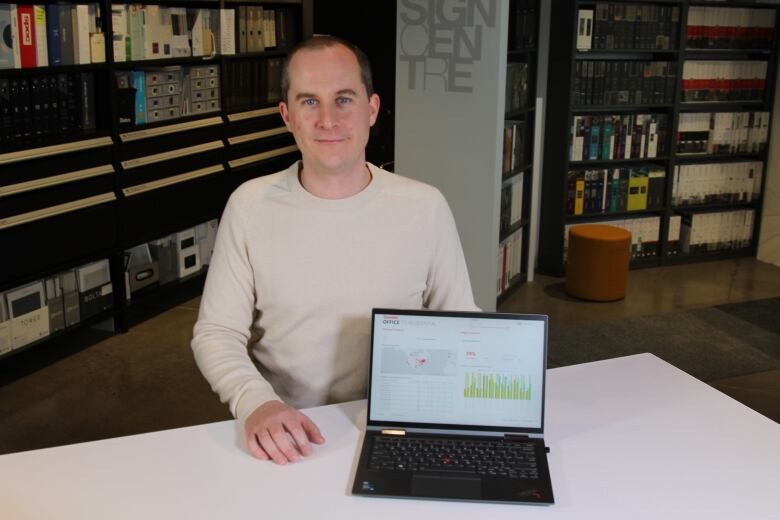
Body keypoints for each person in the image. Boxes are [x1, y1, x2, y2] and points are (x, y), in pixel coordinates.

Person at [191, 35, 477, 466]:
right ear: (287, 116)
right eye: (309, 102)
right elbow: (217, 333)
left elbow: (461, 323)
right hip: (290, 432)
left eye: (344, 99)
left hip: (400, 428)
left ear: (372, 110)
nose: (328, 119)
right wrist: (256, 404)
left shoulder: (425, 206)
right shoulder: (250, 205)